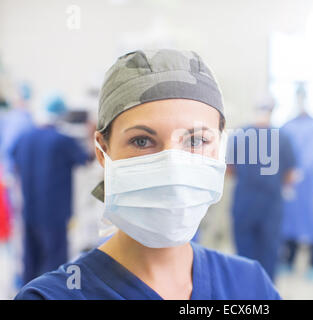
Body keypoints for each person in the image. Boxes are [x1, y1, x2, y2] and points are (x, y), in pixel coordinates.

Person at [15, 49, 281, 300]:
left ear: (220, 148)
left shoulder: (250, 285)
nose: (173, 168)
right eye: (142, 141)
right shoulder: (53, 296)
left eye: (196, 141)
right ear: (102, 151)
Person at [12, 94, 91, 284]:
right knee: (54, 265)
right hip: (54, 213)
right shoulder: (62, 140)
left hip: (29, 210)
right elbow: (87, 158)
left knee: (31, 260)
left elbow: (13, 162)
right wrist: (91, 133)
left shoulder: (24, 137)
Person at [227, 96, 297, 280]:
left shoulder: (240, 135)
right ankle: (266, 292)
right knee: (269, 251)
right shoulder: (283, 137)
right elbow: (290, 174)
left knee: (244, 253)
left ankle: (246, 292)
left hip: (245, 202)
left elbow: (228, 169)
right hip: (271, 204)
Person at [279, 83, 313, 280]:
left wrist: (300, 171)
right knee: (290, 221)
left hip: (306, 181)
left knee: (312, 220)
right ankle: (289, 259)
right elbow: (283, 151)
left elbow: (311, 152)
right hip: (289, 180)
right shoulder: (287, 125)